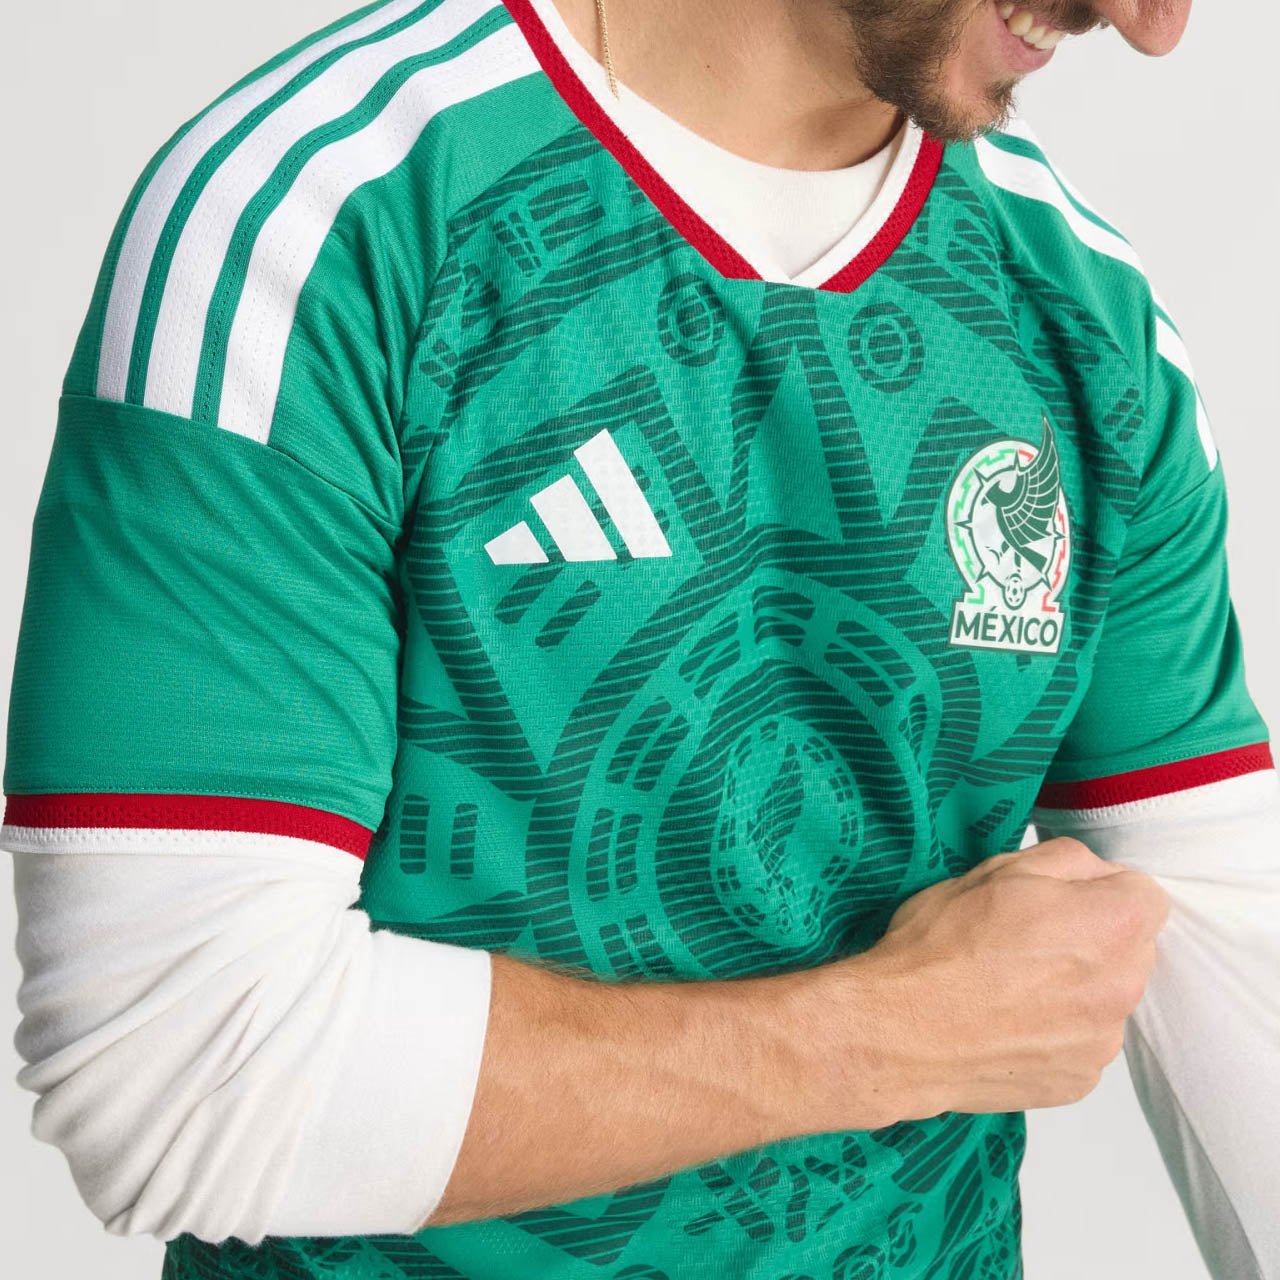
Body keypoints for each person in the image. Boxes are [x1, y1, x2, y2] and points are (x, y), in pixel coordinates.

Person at [3, 0, 1276, 1277]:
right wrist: (905, 1028)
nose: (1149, 24)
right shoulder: (322, 218)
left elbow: (1225, 949)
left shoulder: (1080, 307)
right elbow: (179, 1068)